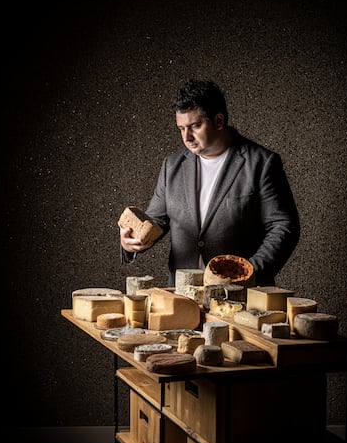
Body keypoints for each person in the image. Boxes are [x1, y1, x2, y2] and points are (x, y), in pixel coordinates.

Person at [119, 79, 300, 287]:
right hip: (182, 297)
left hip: (242, 297)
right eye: (181, 128)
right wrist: (131, 242)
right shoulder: (171, 165)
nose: (187, 137)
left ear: (219, 121)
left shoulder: (262, 163)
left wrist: (249, 273)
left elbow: (284, 227)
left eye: (195, 126)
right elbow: (156, 222)